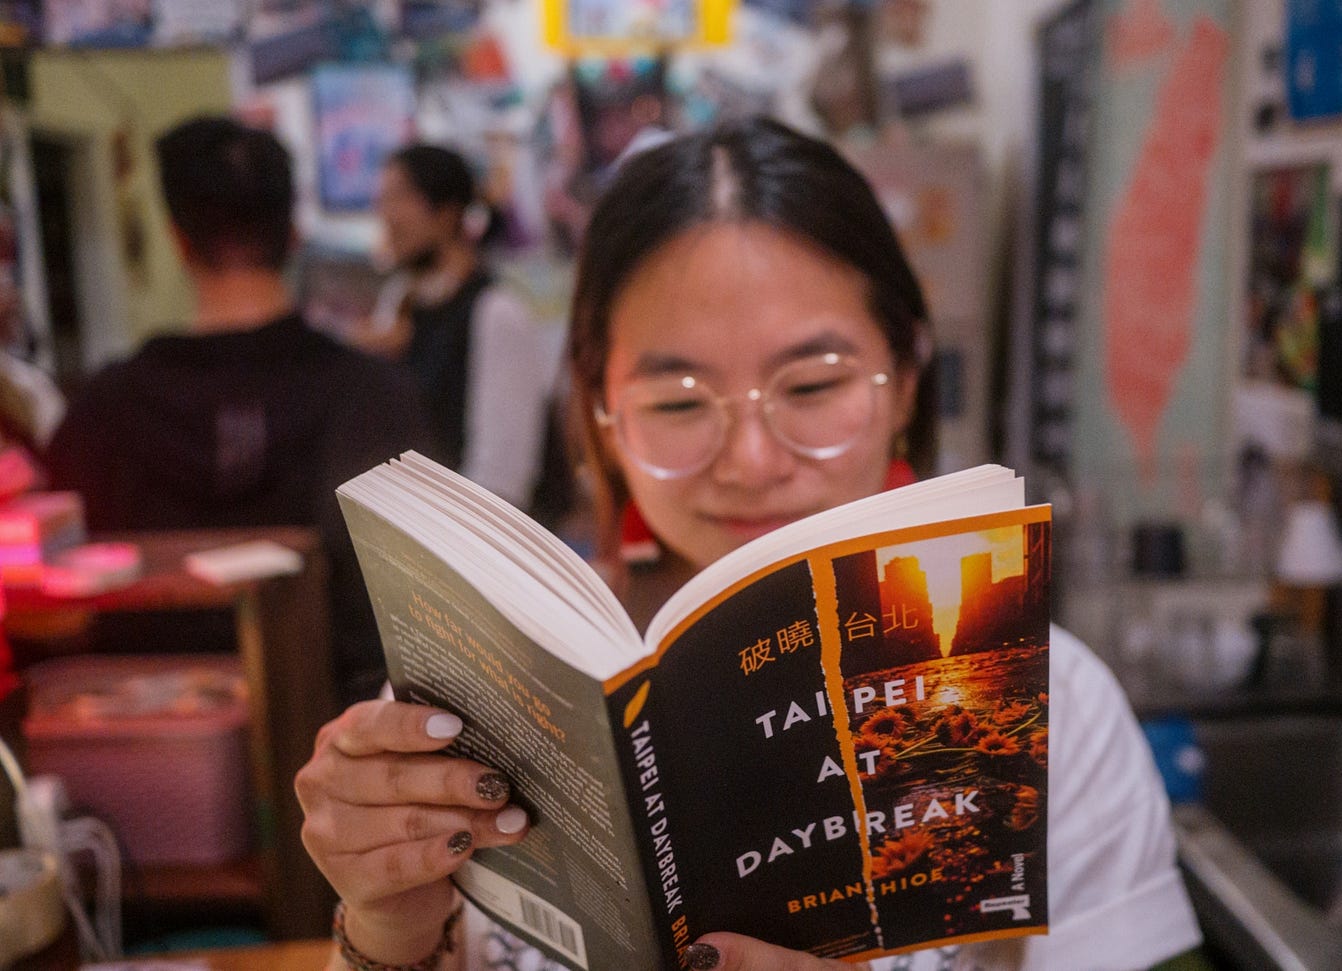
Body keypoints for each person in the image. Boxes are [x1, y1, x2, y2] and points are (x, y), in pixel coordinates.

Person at [297, 117, 1202, 971]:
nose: (754, 460)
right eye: (680, 403)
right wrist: (386, 918)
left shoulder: (1053, 701)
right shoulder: (486, 686)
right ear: (603, 416)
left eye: (812, 387)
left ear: (908, 383)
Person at [45, 115, 428, 706]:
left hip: (134, 759)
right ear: (293, 234)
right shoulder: (377, 397)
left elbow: (53, 611)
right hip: (347, 752)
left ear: (177, 240)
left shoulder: (103, 411)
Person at [365, 143, 560, 509]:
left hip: (469, 542)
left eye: (400, 197)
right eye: (382, 199)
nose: (386, 215)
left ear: (447, 213)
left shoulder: (496, 313)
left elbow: (502, 480)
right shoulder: (398, 303)